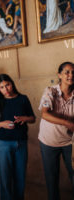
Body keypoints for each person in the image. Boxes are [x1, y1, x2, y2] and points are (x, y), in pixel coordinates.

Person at [0, 74, 35, 200]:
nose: (6, 89)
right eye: (2, 87)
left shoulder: (23, 99)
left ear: (12, 83)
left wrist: (24, 118)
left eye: (7, 85)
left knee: (20, 176)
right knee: (4, 177)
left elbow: (32, 118)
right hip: (3, 144)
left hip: (21, 143)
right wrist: (2, 124)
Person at [38, 62, 74, 200]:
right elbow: (45, 114)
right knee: (51, 177)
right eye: (67, 72)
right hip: (49, 141)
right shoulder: (50, 91)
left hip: (69, 142)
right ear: (59, 75)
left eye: (73, 72)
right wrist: (67, 122)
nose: (71, 75)